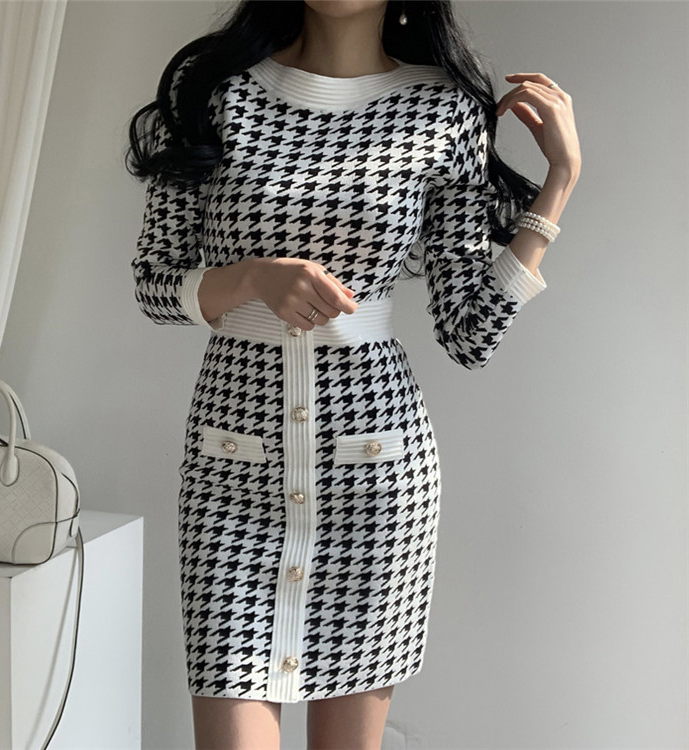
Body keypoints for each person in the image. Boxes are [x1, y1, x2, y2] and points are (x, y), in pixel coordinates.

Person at [125, 1, 581, 748]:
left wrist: (558, 182)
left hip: (377, 480)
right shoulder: (215, 91)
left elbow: (469, 332)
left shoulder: (444, 110)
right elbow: (154, 283)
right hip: (230, 474)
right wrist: (250, 278)